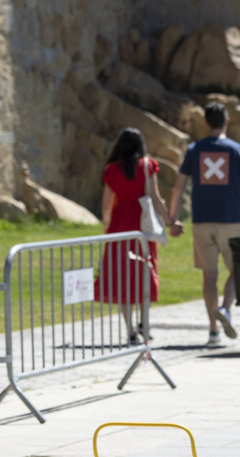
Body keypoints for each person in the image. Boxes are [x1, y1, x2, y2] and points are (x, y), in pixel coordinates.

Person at [168, 102, 240, 346]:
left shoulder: (194, 150)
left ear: (206, 123)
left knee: (209, 276)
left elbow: (179, 185)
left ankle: (213, 330)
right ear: (226, 121)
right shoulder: (237, 150)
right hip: (231, 220)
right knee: (238, 269)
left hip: (201, 221)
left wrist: (172, 217)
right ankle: (226, 309)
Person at [97, 128, 170, 344]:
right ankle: (144, 324)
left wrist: (107, 223)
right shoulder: (147, 166)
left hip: (119, 226)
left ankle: (130, 331)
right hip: (142, 226)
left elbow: (107, 203)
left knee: (122, 279)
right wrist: (169, 220)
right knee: (143, 274)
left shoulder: (111, 170)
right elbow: (155, 198)